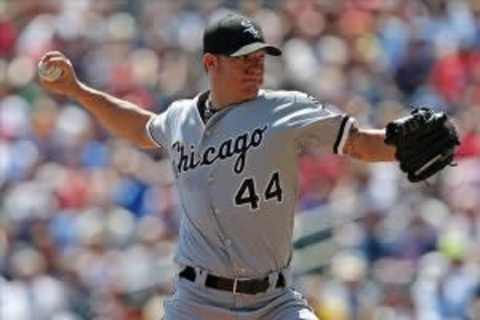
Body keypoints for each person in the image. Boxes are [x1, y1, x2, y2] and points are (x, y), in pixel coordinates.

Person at [39, 12, 395, 320]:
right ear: (211, 63)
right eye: (244, 60)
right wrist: (78, 91)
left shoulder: (286, 109)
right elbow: (140, 128)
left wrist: (403, 146)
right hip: (198, 301)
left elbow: (361, 144)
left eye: (260, 58)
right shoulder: (180, 118)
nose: (256, 68)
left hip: (273, 301)